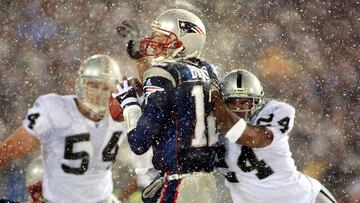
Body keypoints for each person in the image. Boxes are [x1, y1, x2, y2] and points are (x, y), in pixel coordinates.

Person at [113, 9, 220, 203]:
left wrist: (128, 103)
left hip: (180, 183)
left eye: (161, 38)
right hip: (207, 182)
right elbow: (177, 102)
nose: (153, 42)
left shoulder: (163, 73)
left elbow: (139, 142)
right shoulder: (207, 71)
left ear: (182, 43)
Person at [0, 54, 127, 203]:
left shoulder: (124, 113)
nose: (99, 93)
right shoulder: (54, 109)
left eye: (106, 88)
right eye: (93, 85)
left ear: (115, 92)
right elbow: (8, 151)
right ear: (80, 84)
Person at [215, 69, 337, 203]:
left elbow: (255, 138)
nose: (239, 107)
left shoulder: (275, 111)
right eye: (232, 102)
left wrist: (215, 99)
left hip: (305, 199)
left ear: (257, 102)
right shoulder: (212, 129)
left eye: (245, 102)